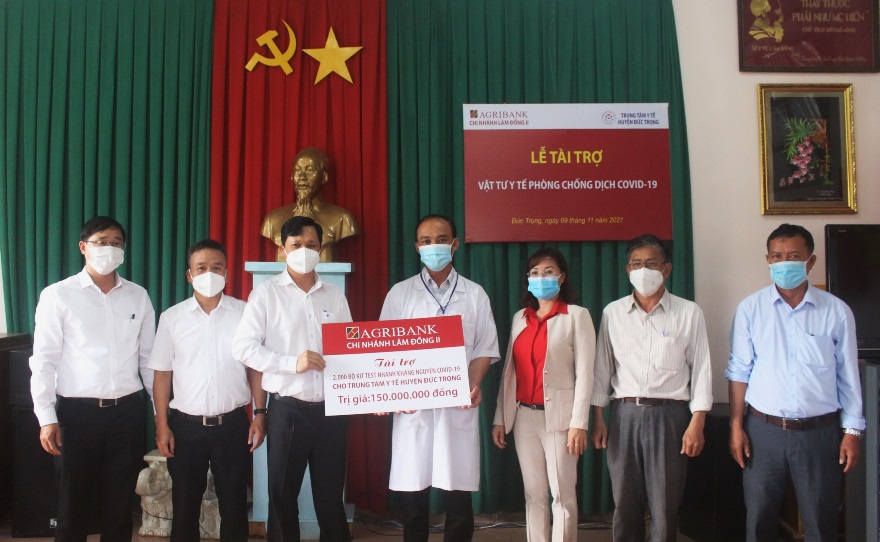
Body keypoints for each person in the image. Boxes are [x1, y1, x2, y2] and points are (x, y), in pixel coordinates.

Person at [726, 223, 864, 541]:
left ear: (810, 261)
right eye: (776, 256)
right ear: (768, 260)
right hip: (763, 432)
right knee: (759, 521)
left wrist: (852, 432)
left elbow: (848, 376)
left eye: (793, 256)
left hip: (820, 433)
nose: (784, 263)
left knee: (821, 522)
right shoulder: (750, 310)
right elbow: (739, 372)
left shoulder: (836, 312)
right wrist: (736, 426)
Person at [29, 215, 156, 542]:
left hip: (126, 414)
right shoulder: (58, 295)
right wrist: (46, 417)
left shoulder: (138, 296)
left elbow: (148, 362)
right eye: (101, 242)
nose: (109, 249)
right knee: (72, 506)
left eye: (116, 243)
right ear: (83, 247)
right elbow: (43, 361)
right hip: (76, 415)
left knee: (120, 505)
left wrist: (161, 415)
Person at [379, 213, 500, 542]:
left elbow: (484, 347)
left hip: (457, 406)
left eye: (442, 240)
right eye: (427, 241)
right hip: (413, 409)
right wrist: (392, 392)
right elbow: (384, 350)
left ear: (455, 244)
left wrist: (473, 383)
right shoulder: (400, 294)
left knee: (458, 496)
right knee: (413, 498)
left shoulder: (474, 294)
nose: (435, 246)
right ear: (417, 247)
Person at [233, 215, 353, 542]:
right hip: (287, 411)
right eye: (296, 245)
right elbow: (243, 347)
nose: (304, 251)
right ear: (283, 249)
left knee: (331, 498)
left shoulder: (334, 295)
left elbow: (350, 347)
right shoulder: (266, 294)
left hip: (331, 411)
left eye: (311, 245)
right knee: (282, 496)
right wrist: (291, 363)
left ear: (321, 249)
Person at [591, 234, 712, 542]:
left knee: (665, 505)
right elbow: (603, 368)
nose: (643, 270)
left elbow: (702, 370)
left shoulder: (689, 312)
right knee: (625, 503)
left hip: (669, 417)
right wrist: (599, 418)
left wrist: (697, 423)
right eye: (636, 264)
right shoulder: (613, 313)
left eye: (651, 263)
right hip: (624, 415)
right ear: (627, 269)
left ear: (666, 269)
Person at [149, 239, 268, 542]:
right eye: (201, 268)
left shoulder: (245, 313)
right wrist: (161, 425)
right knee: (184, 507)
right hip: (185, 427)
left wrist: (259, 413)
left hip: (233, 425)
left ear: (227, 273)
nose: (209, 274)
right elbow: (162, 374)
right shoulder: (172, 318)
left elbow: (256, 368)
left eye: (216, 268)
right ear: (189, 275)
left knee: (235, 506)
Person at [492, 247, 596, 541]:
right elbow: (509, 373)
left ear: (561, 277)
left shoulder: (576, 316)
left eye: (549, 272)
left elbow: (586, 373)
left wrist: (579, 423)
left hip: (561, 420)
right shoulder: (520, 318)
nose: (542, 278)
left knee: (562, 495)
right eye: (535, 273)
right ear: (528, 278)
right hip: (523, 417)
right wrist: (500, 418)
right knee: (534, 494)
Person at [261, 147, 359, 262]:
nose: (302, 177)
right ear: (292, 177)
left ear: (324, 177)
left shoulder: (342, 219)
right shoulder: (272, 220)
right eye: (298, 170)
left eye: (310, 170)